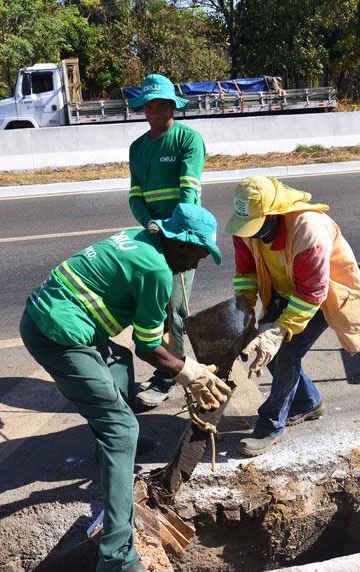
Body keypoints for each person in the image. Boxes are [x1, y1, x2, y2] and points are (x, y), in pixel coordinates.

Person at [20, 203, 230, 572]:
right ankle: (116, 565)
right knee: (121, 429)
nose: (199, 263)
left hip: (49, 314)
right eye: (200, 254)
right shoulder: (156, 270)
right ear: (182, 245)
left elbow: (152, 334)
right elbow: (148, 347)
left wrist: (185, 360)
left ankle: (111, 451)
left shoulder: (140, 239)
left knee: (115, 362)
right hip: (58, 333)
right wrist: (189, 374)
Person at [226, 176, 360, 456]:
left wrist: (279, 331)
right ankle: (307, 402)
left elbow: (312, 292)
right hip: (284, 292)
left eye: (257, 228)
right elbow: (245, 274)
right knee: (266, 354)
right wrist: (244, 315)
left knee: (286, 354)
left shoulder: (308, 229)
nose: (251, 234)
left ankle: (270, 425)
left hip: (319, 296)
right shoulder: (245, 226)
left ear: (274, 214)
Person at [126, 74, 207, 408]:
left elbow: (189, 192)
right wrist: (148, 222)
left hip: (182, 237)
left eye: (163, 105)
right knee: (154, 306)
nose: (157, 112)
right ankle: (169, 367)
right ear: (144, 109)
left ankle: (171, 376)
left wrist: (173, 230)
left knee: (174, 308)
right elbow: (134, 196)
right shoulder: (138, 147)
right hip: (154, 235)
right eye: (151, 106)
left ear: (174, 106)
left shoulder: (188, 139)